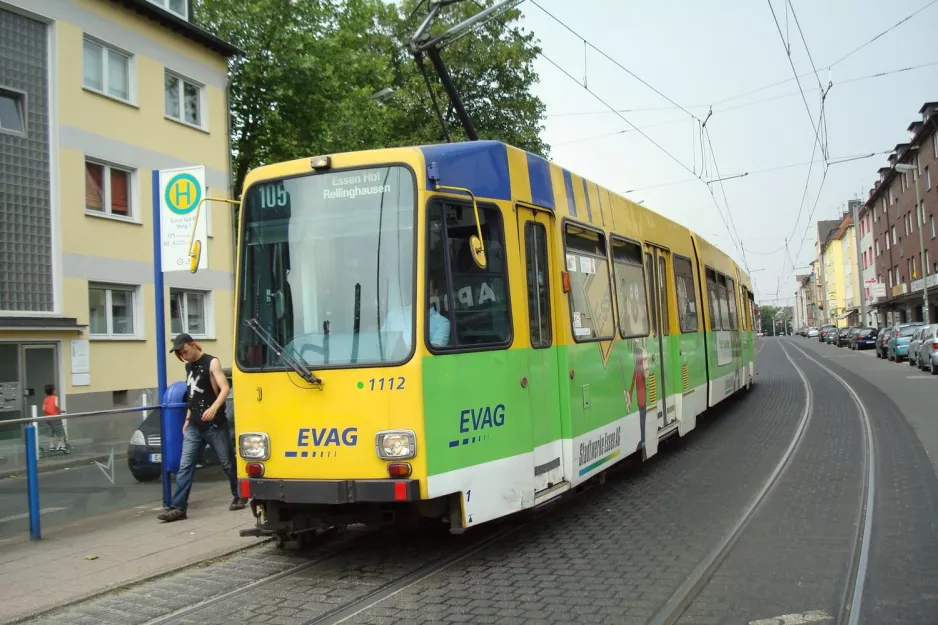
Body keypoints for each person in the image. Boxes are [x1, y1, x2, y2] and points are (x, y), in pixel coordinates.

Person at [158, 333, 247, 522]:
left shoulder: (212, 362)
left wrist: (214, 408)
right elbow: (193, 395)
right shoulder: (188, 366)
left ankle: (239, 495)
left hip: (214, 424)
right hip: (195, 425)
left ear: (193, 345)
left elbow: (225, 388)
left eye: (185, 351)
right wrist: (188, 418)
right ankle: (178, 507)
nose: (184, 355)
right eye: (180, 353)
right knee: (185, 466)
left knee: (228, 462)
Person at [42, 384, 67, 452]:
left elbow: (43, 409)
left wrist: (48, 413)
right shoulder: (55, 397)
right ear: (53, 391)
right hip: (55, 417)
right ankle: (62, 445)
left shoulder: (45, 399)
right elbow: (56, 405)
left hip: (48, 418)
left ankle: (51, 446)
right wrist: (60, 410)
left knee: (50, 432)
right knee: (60, 431)